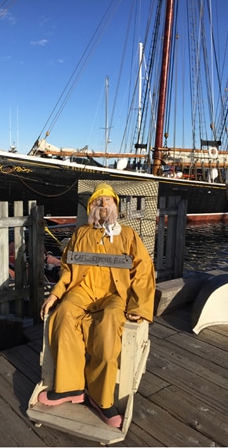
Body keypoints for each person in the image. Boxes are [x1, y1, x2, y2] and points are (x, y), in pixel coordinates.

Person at [38, 183, 155, 428]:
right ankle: (71, 387)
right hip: (83, 289)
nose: (103, 204)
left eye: (108, 200)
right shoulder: (81, 234)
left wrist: (138, 307)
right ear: (91, 207)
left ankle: (101, 398)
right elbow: (68, 269)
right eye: (97, 201)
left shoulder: (128, 235)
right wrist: (56, 294)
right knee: (64, 313)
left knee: (109, 323)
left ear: (115, 206)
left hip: (114, 293)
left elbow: (143, 272)